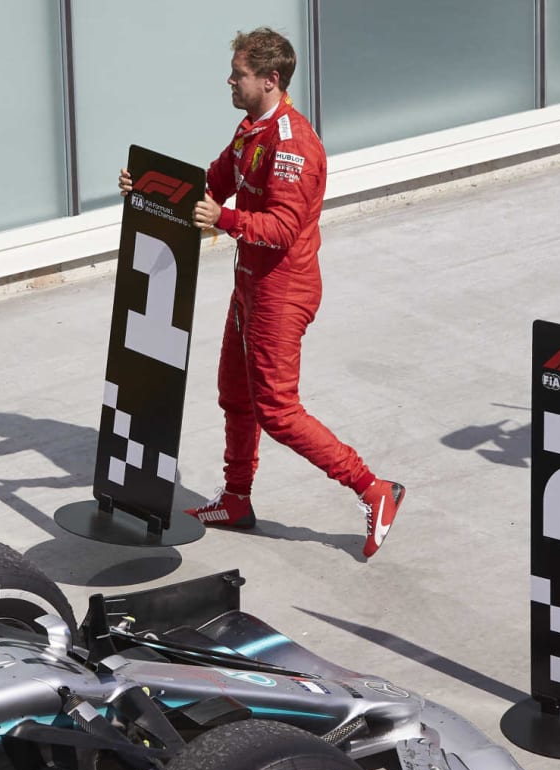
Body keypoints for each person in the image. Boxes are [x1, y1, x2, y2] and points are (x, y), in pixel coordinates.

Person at [119, 27, 404, 558]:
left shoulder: (293, 146)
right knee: (234, 392)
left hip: (282, 289)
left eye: (240, 73)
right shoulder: (250, 129)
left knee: (276, 409)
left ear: (271, 80)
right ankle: (236, 498)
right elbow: (212, 183)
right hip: (250, 284)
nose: (229, 79)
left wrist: (223, 219)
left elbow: (281, 228)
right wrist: (148, 186)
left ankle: (373, 487)